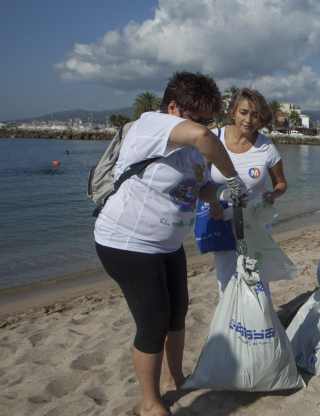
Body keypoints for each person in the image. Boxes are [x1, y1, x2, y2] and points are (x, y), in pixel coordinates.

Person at [94, 72, 243, 416]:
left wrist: (217, 199)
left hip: (167, 244)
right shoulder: (152, 125)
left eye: (210, 117)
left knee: (178, 313)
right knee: (154, 320)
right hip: (127, 242)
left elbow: (197, 185)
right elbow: (204, 136)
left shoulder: (190, 147)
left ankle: (178, 378)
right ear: (173, 107)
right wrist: (233, 177)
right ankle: (149, 403)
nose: (206, 125)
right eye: (199, 116)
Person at [208, 88, 287, 296]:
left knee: (257, 282)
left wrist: (272, 195)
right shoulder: (213, 139)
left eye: (255, 115)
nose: (249, 119)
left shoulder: (266, 148)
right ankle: (231, 326)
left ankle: (260, 325)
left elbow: (281, 184)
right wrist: (213, 202)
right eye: (244, 112)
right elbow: (197, 181)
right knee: (226, 283)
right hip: (221, 222)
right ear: (233, 111)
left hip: (255, 224)